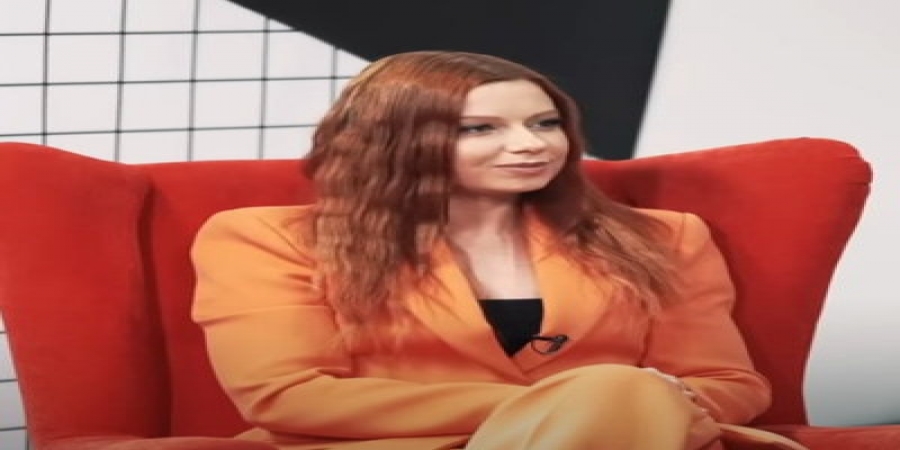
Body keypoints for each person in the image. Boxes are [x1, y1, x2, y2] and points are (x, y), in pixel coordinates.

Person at [191, 51, 806, 450]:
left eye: (544, 123)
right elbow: (290, 395)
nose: (531, 145)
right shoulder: (266, 239)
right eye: (481, 128)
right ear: (394, 142)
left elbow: (729, 383)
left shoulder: (665, 237)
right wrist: (591, 404)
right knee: (618, 393)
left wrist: (613, 413)